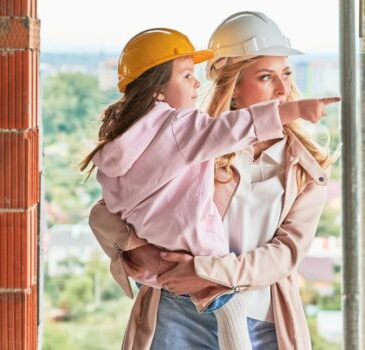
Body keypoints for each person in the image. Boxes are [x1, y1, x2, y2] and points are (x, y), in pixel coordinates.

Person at [89, 12, 336, 349]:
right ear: (233, 86)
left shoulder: (306, 166)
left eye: (286, 74)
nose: (283, 89)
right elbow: (107, 211)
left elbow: (286, 253)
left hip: (262, 319)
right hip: (177, 310)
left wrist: (210, 271)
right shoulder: (192, 143)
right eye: (266, 77)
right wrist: (139, 251)